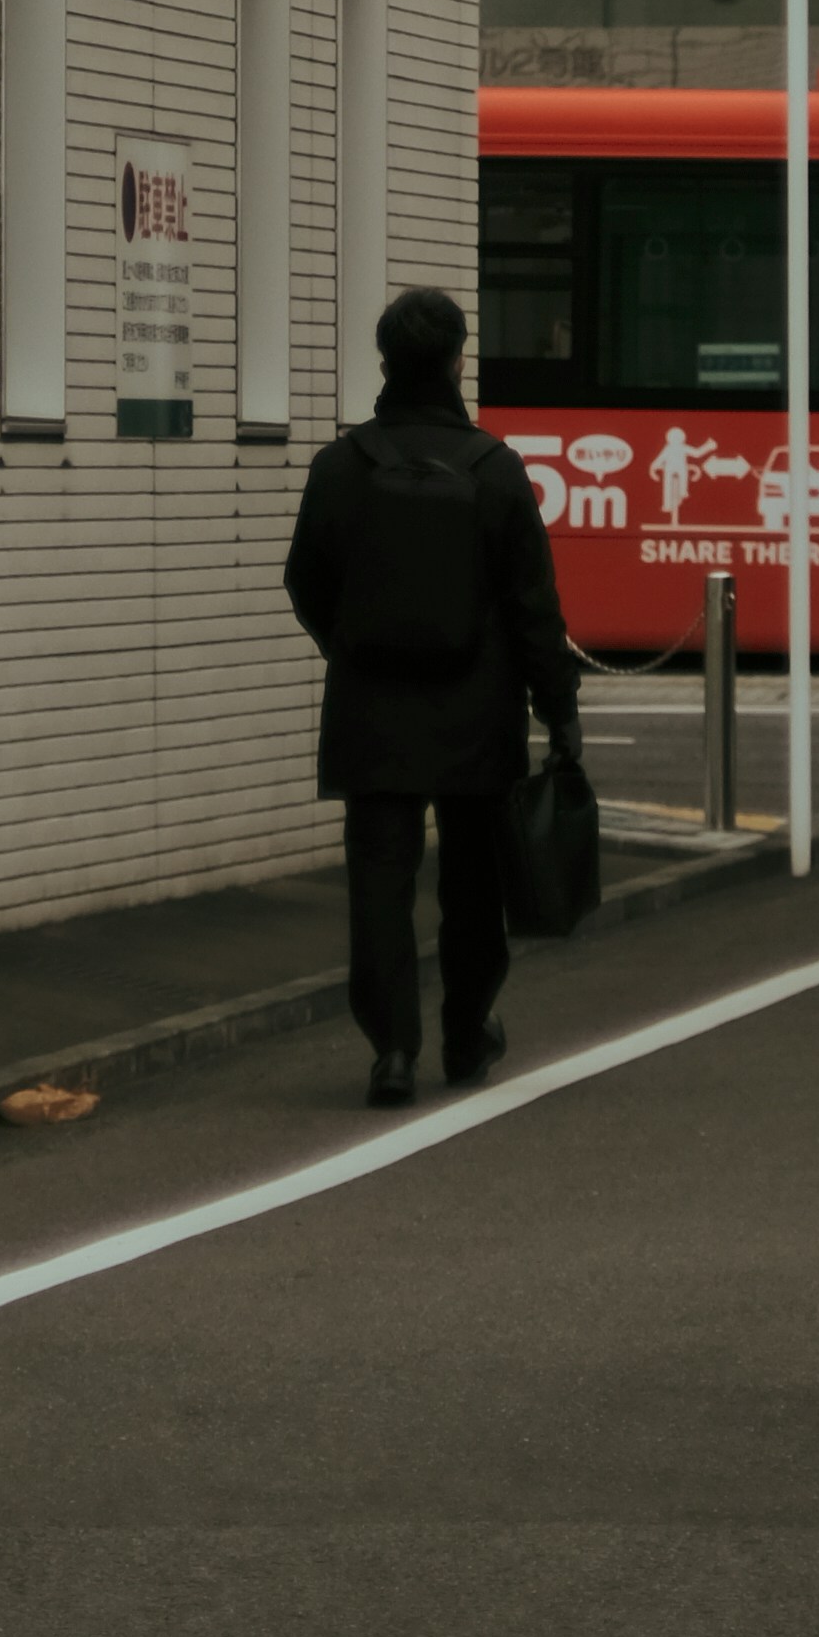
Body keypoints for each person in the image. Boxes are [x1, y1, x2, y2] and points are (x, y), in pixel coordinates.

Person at [283, 284, 586, 1106]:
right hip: (475, 713)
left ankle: (391, 1050)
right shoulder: (494, 470)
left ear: (384, 362)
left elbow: (305, 579)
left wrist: (350, 646)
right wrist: (559, 711)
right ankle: (465, 1033)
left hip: (371, 710)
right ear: (457, 362)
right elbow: (534, 609)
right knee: (473, 885)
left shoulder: (341, 467)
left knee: (379, 885)